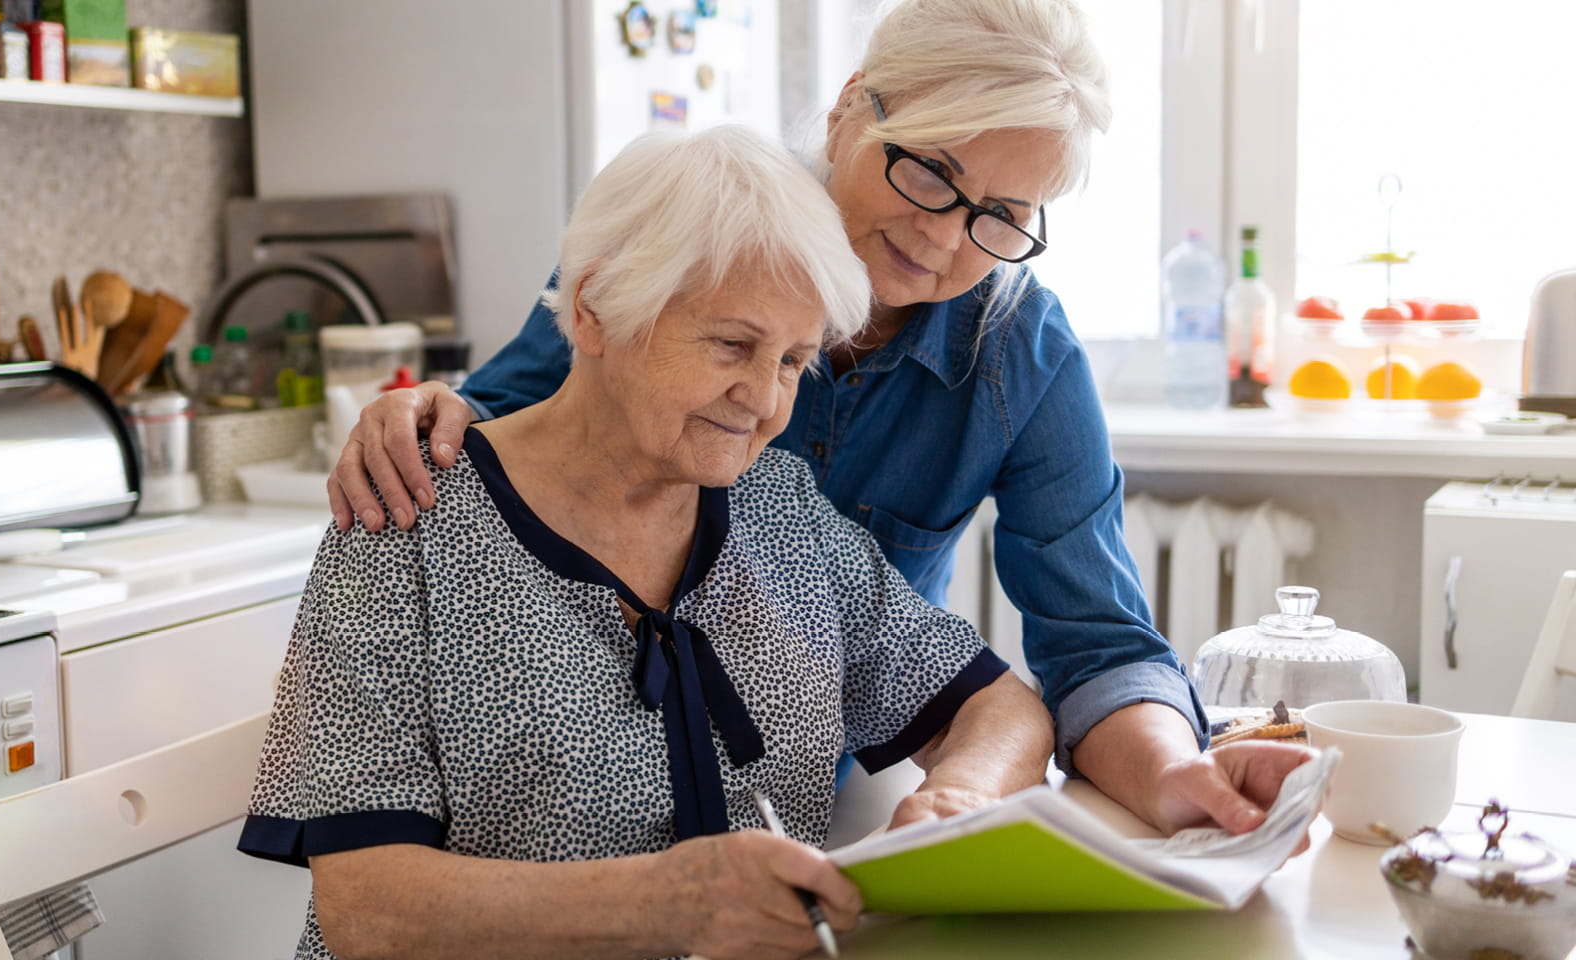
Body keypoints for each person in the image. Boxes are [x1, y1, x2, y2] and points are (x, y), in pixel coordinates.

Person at [328, 0, 1315, 838]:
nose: (941, 235)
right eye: (929, 171)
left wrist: (1176, 775)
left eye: (1001, 215)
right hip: (554, 788)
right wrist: (414, 416)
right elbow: (501, 433)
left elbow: (1095, 646)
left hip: (796, 795)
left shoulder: (1019, 355)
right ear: (851, 108)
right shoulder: (684, 236)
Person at [241, 125, 1052, 960]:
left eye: (792, 362)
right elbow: (367, 910)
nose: (763, 403)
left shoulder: (781, 511)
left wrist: (959, 798)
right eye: (733, 344)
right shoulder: (405, 519)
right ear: (594, 309)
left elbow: (1001, 709)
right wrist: (670, 903)